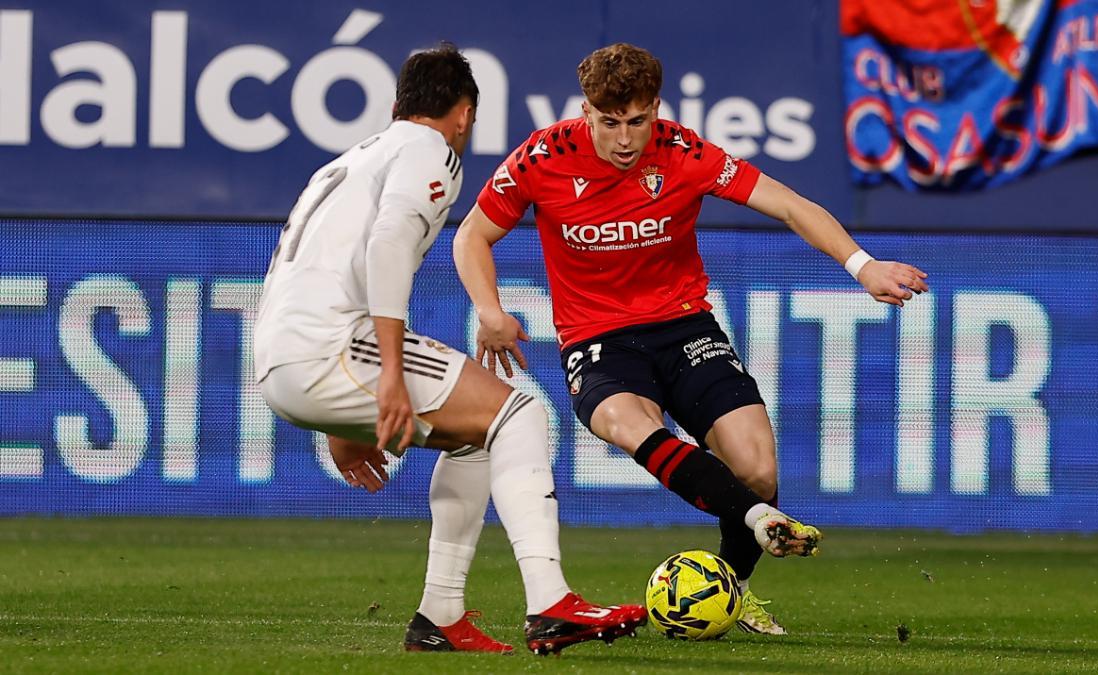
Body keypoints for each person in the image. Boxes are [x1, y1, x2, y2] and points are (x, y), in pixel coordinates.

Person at [454, 43, 929, 635]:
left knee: (756, 465)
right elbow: (471, 234)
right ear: (585, 111)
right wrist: (488, 309)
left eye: (637, 121)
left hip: (684, 327)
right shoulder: (544, 156)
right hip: (598, 337)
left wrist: (863, 267)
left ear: (656, 109)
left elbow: (790, 205)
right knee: (628, 424)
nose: (625, 139)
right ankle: (759, 521)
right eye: (609, 123)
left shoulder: (684, 152)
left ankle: (733, 588)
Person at [252, 44, 645, 656]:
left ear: (395, 106)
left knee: (477, 432)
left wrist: (337, 411)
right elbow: (387, 244)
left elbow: (309, 268)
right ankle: (550, 602)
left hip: (283, 351)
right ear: (464, 116)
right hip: (330, 346)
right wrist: (383, 374)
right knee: (521, 414)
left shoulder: (350, 160)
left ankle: (440, 616)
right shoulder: (430, 150)